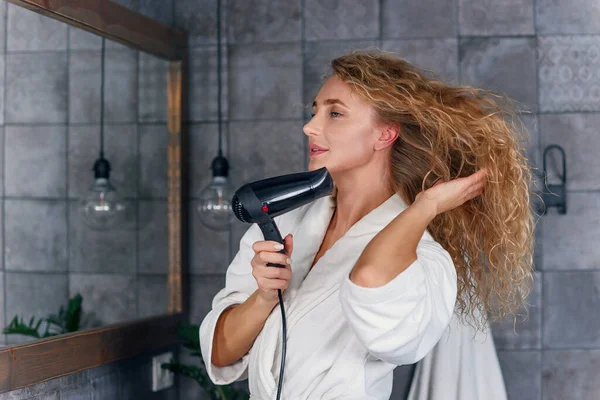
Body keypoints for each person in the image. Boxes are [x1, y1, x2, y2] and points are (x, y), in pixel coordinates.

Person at [199, 50, 535, 400]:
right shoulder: (283, 222)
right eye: (315, 111)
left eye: (335, 113)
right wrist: (264, 297)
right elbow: (221, 355)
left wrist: (426, 207)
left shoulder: (424, 258)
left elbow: (370, 280)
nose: (309, 126)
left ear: (385, 135)